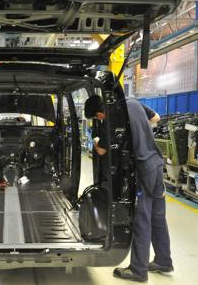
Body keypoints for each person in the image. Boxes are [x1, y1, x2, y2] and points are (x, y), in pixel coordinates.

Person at [84, 95, 171, 283]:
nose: (100, 120)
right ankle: (164, 261)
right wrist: (139, 129)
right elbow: (156, 118)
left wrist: (96, 141)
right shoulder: (132, 101)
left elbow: (102, 151)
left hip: (144, 170)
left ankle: (138, 270)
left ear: (99, 113)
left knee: (142, 219)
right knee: (157, 216)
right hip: (156, 164)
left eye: (98, 118)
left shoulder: (113, 116)